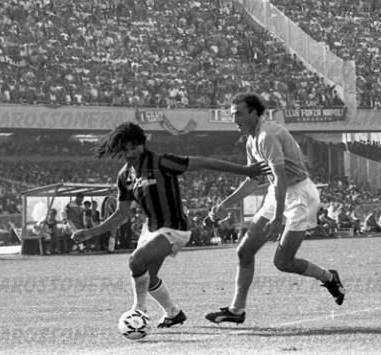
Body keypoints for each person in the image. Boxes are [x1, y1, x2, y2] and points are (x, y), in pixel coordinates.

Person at [71, 121, 270, 328]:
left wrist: (245, 170)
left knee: (136, 260)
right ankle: (173, 313)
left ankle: (138, 310)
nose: (130, 153)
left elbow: (203, 162)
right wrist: (91, 232)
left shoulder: (161, 162)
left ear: (142, 144)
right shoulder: (124, 176)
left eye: (134, 147)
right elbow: (121, 214)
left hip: (175, 229)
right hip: (150, 230)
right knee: (148, 278)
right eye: (125, 149)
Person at [205, 93, 345, 325]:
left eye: (238, 114)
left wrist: (278, 218)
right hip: (277, 193)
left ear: (254, 113)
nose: (234, 120)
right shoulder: (251, 141)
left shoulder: (266, 135)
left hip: (299, 195)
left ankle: (329, 277)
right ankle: (236, 310)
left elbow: (280, 178)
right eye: (232, 115)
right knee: (244, 251)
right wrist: (224, 205)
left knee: (283, 262)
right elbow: (253, 181)